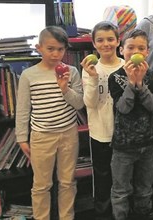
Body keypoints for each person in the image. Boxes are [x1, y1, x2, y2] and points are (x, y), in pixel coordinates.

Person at [15, 26, 85, 220]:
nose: (56, 54)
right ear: (39, 48)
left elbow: (79, 103)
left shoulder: (71, 72)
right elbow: (23, 109)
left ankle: (66, 217)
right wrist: (22, 137)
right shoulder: (29, 75)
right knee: (41, 184)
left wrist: (65, 89)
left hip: (68, 134)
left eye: (60, 49)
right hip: (41, 136)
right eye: (50, 48)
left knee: (67, 182)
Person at [108, 29, 153, 220]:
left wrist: (141, 84)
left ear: (147, 52)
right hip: (123, 146)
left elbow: (152, 105)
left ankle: (142, 215)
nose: (135, 51)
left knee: (145, 189)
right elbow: (123, 107)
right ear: (122, 50)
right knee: (121, 190)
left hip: (148, 144)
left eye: (141, 48)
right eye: (130, 47)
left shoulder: (152, 76)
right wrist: (131, 83)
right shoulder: (115, 77)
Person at [81, 21, 124, 220]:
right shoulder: (90, 68)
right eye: (100, 40)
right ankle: (103, 214)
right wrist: (92, 78)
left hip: (124, 135)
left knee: (122, 179)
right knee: (102, 177)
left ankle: (122, 213)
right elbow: (89, 102)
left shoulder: (125, 65)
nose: (106, 44)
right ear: (94, 44)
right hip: (100, 133)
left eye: (110, 39)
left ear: (118, 41)